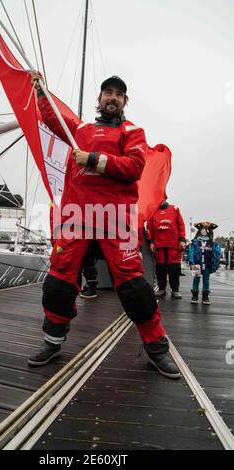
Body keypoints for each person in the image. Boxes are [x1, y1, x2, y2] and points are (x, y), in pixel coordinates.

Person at [28, 72, 180, 379]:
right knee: (58, 281)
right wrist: (40, 90)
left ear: (125, 102)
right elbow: (52, 119)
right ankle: (52, 341)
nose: (112, 97)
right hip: (77, 215)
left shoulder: (133, 131)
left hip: (116, 218)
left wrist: (94, 160)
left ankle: (156, 348)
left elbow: (135, 167)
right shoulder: (81, 128)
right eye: (107, 92)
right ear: (99, 99)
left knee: (135, 287)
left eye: (118, 94)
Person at [147, 199, 186, 299]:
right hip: (159, 245)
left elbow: (181, 225)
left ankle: (175, 290)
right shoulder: (152, 211)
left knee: (174, 268)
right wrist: (150, 242)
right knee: (160, 268)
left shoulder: (175, 209)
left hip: (173, 245)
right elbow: (149, 227)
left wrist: (182, 240)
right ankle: (162, 289)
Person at [189, 222, 221, 305]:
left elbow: (215, 254)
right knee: (196, 279)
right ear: (199, 231)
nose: (204, 231)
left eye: (206, 230)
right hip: (196, 264)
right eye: (202, 229)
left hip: (207, 264)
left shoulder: (211, 243)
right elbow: (191, 252)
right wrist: (191, 262)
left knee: (206, 281)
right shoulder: (195, 242)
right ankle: (194, 296)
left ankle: (205, 297)